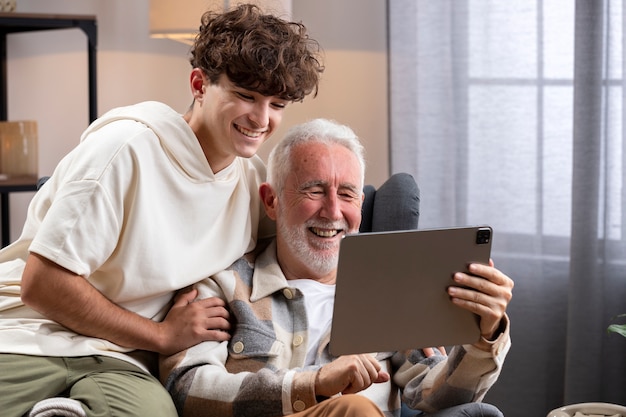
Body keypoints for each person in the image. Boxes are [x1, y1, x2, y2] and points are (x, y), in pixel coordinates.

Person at [0, 4, 323, 417]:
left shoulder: (251, 181)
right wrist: (161, 334)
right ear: (199, 84)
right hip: (28, 334)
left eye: (277, 104)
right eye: (246, 96)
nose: (261, 119)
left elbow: (301, 258)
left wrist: (402, 327)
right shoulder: (123, 150)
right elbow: (42, 284)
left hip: (121, 361)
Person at [160, 118, 514, 417]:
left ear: (360, 204)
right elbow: (187, 386)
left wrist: (485, 335)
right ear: (272, 201)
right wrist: (313, 384)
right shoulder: (224, 284)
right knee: (354, 410)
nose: (332, 212)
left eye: (346, 194)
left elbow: (439, 396)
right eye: (314, 191)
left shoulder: (390, 294)